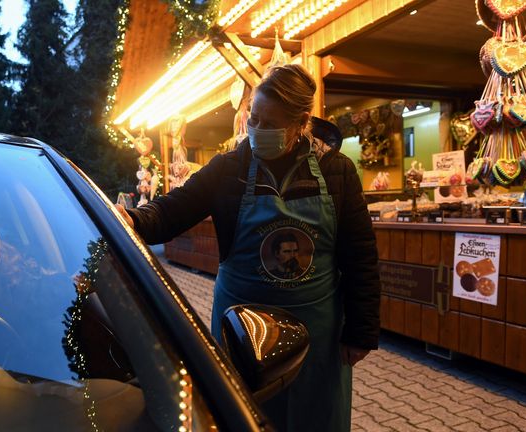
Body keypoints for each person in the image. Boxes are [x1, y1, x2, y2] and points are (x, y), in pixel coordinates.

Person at [115, 63, 380, 431]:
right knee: (242, 417)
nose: (257, 130)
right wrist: (134, 220)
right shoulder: (229, 168)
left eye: (270, 124)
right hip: (240, 331)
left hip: (316, 333)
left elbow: (360, 256)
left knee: (314, 418)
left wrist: (361, 330)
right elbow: (175, 209)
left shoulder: (337, 171)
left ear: (301, 122)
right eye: (253, 119)